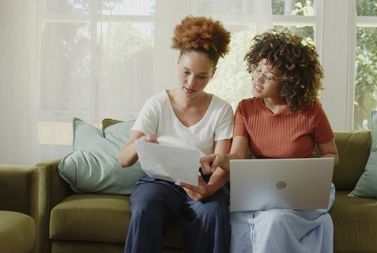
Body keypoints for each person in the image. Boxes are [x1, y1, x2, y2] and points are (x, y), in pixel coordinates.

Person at [197, 29, 340, 253]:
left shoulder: (311, 110)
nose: (258, 79)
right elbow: (236, 157)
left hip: (302, 191)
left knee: (275, 220)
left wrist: (313, 171)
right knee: (271, 219)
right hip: (263, 191)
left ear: (289, 82)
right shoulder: (245, 108)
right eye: (257, 69)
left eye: (269, 76)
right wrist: (220, 159)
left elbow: (332, 155)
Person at [118, 16, 233, 253]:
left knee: (213, 212)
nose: (191, 82)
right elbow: (123, 159)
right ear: (178, 62)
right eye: (186, 72)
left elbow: (222, 164)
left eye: (202, 76)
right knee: (145, 207)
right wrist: (141, 143)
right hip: (159, 182)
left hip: (201, 182)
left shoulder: (222, 109)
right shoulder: (157, 104)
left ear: (214, 73)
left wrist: (208, 190)